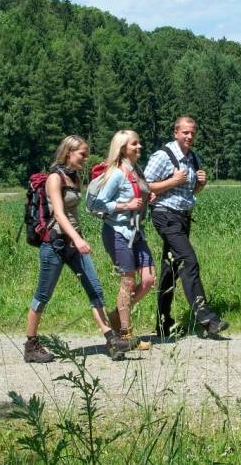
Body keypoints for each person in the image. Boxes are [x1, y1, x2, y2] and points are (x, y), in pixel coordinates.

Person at [24, 135, 126, 363]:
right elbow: (59, 214)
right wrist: (77, 239)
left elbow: (74, 212)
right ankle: (30, 345)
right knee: (43, 295)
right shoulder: (54, 178)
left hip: (73, 242)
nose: (85, 158)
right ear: (69, 153)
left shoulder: (75, 178)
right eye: (82, 153)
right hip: (55, 244)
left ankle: (110, 338)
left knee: (95, 290)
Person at [144, 115, 228, 338]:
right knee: (189, 261)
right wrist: (173, 181)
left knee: (170, 271)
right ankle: (207, 320)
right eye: (185, 132)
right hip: (165, 215)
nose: (190, 136)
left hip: (182, 217)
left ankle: (163, 323)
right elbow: (144, 186)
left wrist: (200, 185)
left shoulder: (193, 158)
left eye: (193, 132)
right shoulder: (163, 156)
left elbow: (189, 193)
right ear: (175, 133)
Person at [87, 130, 157, 351]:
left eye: (139, 143)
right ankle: (126, 335)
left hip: (136, 233)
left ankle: (117, 315)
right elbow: (95, 204)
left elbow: (139, 195)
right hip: (117, 233)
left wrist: (148, 197)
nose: (139, 147)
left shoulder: (136, 170)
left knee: (148, 280)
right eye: (134, 144)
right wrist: (126, 205)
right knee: (127, 281)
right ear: (122, 149)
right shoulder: (117, 173)